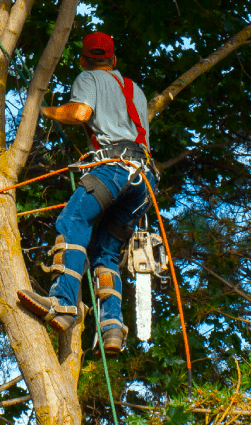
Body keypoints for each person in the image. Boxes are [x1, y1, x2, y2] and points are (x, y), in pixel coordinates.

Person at [17, 32, 157, 356]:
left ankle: (64, 303)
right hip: (144, 181)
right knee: (106, 252)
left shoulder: (88, 76)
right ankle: (112, 330)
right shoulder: (135, 90)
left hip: (114, 168)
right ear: (114, 60)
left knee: (74, 219)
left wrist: (46, 110)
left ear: (83, 60)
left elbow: (80, 113)